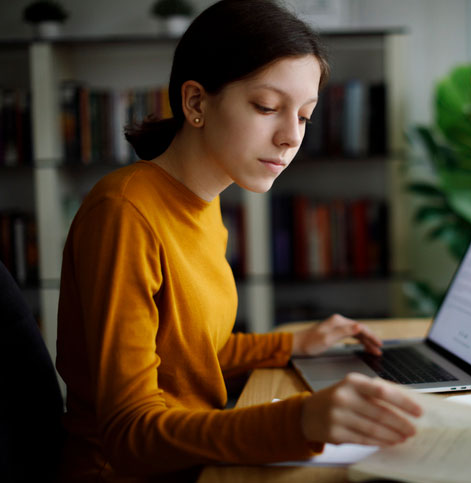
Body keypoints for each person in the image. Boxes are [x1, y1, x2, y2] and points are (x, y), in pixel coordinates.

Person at [55, 1, 423, 481]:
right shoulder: (125, 213)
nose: (291, 136)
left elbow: (188, 354)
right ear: (195, 103)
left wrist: (294, 343)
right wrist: (299, 420)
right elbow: (129, 433)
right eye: (267, 107)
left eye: (305, 116)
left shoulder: (205, 202)